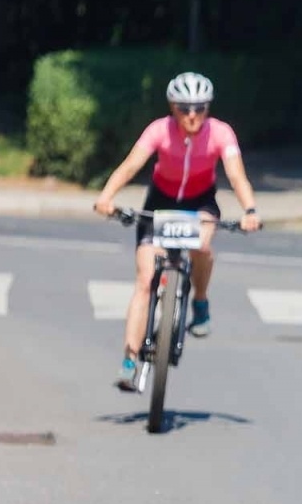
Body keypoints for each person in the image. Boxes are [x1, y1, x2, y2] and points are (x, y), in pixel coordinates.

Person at [92, 72, 260, 390]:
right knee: (144, 280)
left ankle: (200, 300)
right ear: (172, 107)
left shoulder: (221, 133)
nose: (192, 115)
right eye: (184, 108)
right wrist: (106, 197)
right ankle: (129, 359)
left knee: (203, 247)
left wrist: (250, 210)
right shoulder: (159, 130)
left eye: (199, 108)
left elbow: (237, 176)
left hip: (200, 203)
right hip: (159, 203)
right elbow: (131, 165)